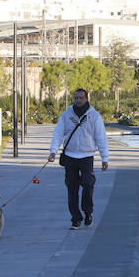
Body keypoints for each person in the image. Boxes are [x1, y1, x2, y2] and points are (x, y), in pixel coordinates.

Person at [47, 88, 109, 230]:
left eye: (81, 98)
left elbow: (101, 137)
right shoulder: (66, 115)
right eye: (76, 98)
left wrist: (105, 158)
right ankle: (76, 219)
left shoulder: (94, 116)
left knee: (88, 184)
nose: (78, 101)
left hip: (87, 156)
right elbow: (58, 133)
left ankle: (88, 212)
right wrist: (53, 151)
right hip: (70, 156)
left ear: (87, 99)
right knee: (72, 188)